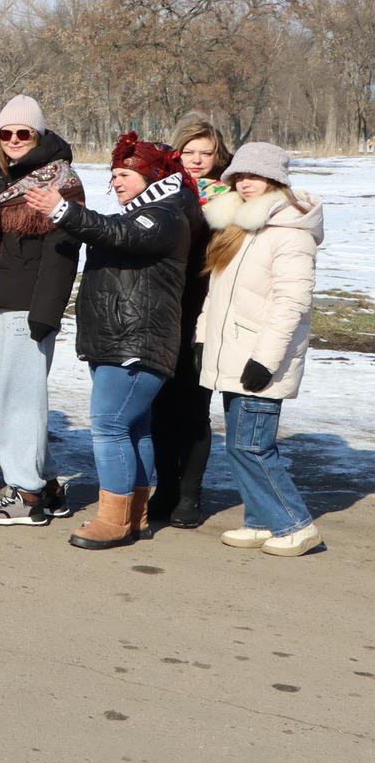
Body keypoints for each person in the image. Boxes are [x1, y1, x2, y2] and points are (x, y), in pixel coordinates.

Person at [26, 133, 190, 550]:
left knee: (110, 425)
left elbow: (120, 235)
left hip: (137, 343)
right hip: (119, 340)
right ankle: (135, 515)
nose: (116, 182)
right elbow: (112, 230)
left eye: (125, 173)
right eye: (113, 174)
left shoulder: (164, 214)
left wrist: (64, 210)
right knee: (134, 428)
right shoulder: (144, 213)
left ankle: (113, 520)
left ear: (152, 175)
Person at [196, 142, 325, 556]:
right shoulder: (239, 225)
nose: (245, 183)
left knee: (252, 445)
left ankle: (294, 524)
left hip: (260, 359)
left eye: (255, 176)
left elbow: (292, 304)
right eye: (239, 176)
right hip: (230, 350)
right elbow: (216, 294)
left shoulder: (291, 233)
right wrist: (202, 338)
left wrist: (264, 360)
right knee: (237, 443)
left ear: (276, 180)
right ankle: (260, 520)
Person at [0, 95, 83, 528]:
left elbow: (64, 253)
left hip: (28, 307)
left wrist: (46, 312)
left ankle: (25, 494)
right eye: (7, 133)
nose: (15, 140)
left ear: (38, 135)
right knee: (8, 398)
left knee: (21, 399)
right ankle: (47, 486)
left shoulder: (61, 180)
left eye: (24, 133)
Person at [148, 112, 233, 526]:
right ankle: (164, 488)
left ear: (219, 156)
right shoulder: (161, 191)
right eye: (189, 151)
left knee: (195, 408)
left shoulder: (230, 197)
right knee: (161, 406)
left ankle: (190, 493)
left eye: (206, 152)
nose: (197, 160)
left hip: (205, 310)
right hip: (163, 307)